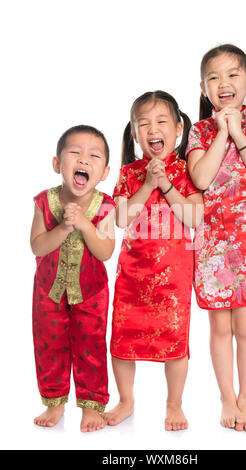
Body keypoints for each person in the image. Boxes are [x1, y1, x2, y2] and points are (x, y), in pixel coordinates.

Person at [186, 44, 246, 432]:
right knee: (220, 329)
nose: (223, 83)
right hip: (211, 248)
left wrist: (240, 133)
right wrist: (222, 134)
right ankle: (227, 397)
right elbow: (201, 178)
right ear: (204, 87)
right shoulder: (198, 130)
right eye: (213, 76)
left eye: (232, 74)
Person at [102, 91, 203, 431]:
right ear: (134, 134)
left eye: (161, 122)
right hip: (133, 274)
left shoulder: (188, 169)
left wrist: (168, 186)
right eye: (143, 124)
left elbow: (193, 217)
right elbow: (121, 218)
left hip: (174, 276)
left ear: (177, 128)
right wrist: (148, 184)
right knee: (122, 338)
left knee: (175, 341)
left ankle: (174, 403)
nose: (152, 129)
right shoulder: (129, 172)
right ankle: (126, 399)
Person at [30, 125, 115, 432]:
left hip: (91, 293)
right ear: (57, 164)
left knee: (90, 345)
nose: (84, 160)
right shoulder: (45, 201)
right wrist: (63, 228)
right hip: (48, 291)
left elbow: (105, 251)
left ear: (104, 172)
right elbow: (36, 246)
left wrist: (84, 225)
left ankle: (91, 404)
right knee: (48, 345)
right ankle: (54, 401)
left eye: (93, 156)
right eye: (75, 153)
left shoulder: (104, 205)